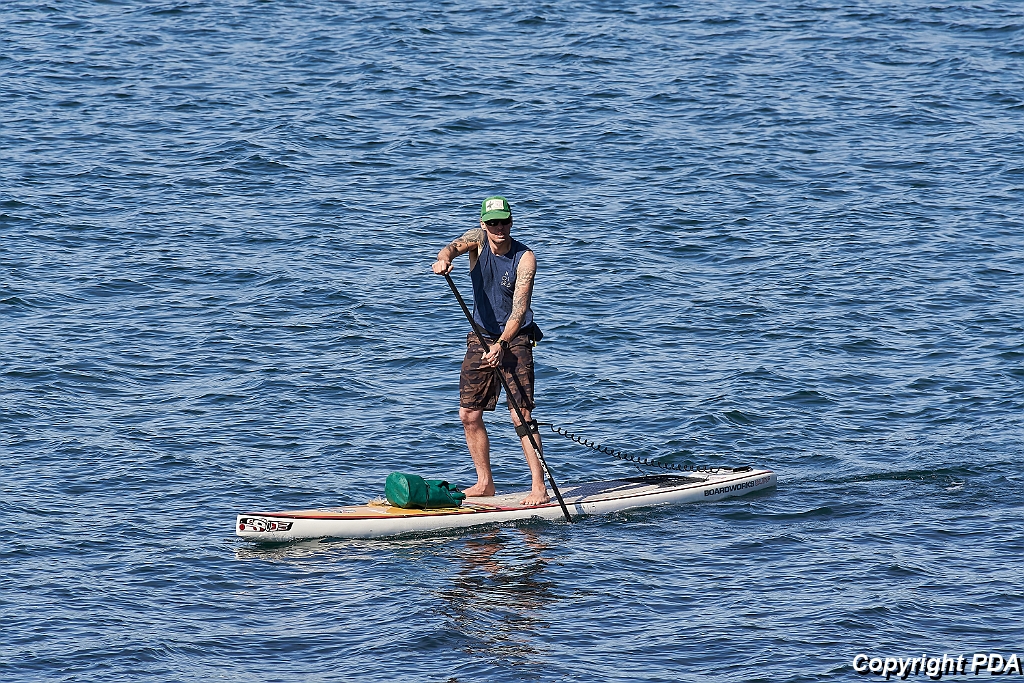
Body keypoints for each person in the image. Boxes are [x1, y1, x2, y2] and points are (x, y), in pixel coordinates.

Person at [431, 196, 549, 505]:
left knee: (521, 415)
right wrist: (443, 260)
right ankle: (485, 484)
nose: (499, 228)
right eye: (493, 222)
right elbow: (451, 248)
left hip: (516, 338)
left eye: (504, 222)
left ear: (511, 222)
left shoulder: (525, 258)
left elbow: (519, 311)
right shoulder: (478, 240)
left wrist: (502, 344)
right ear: (484, 224)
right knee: (469, 414)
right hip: (480, 337)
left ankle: (539, 487)